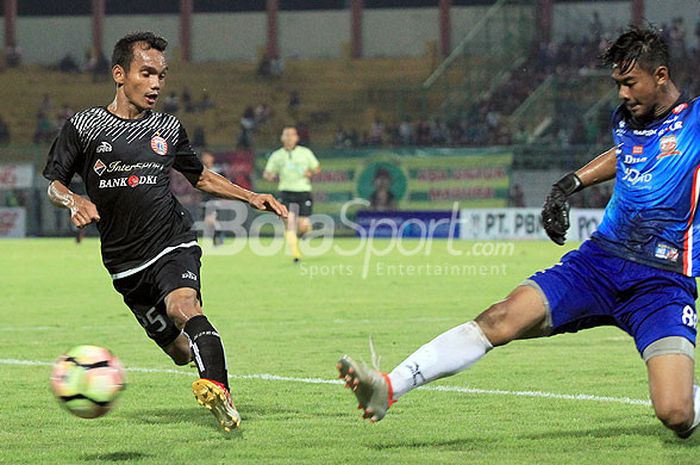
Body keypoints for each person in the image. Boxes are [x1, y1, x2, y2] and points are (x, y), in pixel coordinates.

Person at [338, 26, 700, 438]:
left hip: (661, 280)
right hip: (599, 263)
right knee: (500, 318)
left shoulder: (696, 121)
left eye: (629, 83)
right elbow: (628, 153)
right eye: (617, 83)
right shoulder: (627, 119)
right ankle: (389, 387)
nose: (621, 94)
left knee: (675, 413)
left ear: (661, 75)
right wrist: (570, 184)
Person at [43, 32, 287, 432]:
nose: (156, 84)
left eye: (162, 75)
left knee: (184, 307)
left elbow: (199, 176)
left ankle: (219, 392)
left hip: (171, 241)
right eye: (147, 73)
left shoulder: (168, 128)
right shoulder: (85, 126)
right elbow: (54, 182)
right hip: (123, 263)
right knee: (177, 350)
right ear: (120, 75)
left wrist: (249, 196)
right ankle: (206, 361)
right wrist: (74, 200)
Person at [263, 126, 320, 263]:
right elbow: (267, 173)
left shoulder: (305, 153)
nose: (289, 138)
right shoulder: (277, 155)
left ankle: (306, 231)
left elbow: (317, 168)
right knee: (289, 222)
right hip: (286, 192)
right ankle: (296, 255)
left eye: (291, 135)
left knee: (303, 225)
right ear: (282, 138)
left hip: (303, 191)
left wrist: (310, 173)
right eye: (286, 135)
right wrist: (269, 176)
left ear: (296, 138)